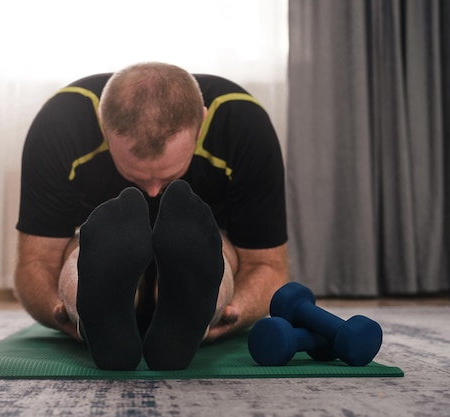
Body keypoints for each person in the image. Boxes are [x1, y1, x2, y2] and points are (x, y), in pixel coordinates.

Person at [15, 62, 289, 371]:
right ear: (102, 126)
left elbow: (265, 265)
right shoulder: (61, 121)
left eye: (169, 175)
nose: (155, 193)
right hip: (107, 260)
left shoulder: (242, 122)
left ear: (203, 119)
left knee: (218, 248)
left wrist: (234, 313)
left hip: (197, 257)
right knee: (82, 251)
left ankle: (193, 314)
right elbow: (36, 263)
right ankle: (96, 315)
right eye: (136, 177)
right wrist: (64, 315)